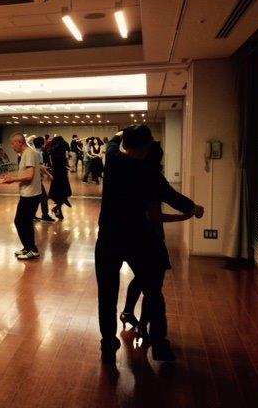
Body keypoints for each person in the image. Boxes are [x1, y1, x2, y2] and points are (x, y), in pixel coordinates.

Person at [94, 125, 203, 363]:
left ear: (126, 144)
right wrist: (194, 208)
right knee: (153, 293)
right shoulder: (150, 173)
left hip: (109, 239)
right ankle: (160, 345)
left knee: (107, 294)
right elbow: (173, 197)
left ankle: (108, 343)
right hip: (140, 239)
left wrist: (120, 133)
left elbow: (112, 143)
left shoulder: (113, 161)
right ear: (147, 146)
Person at [119, 143, 203, 344]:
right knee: (154, 287)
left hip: (127, 238)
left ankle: (128, 313)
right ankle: (148, 331)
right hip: (148, 238)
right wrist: (189, 212)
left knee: (142, 277)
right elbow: (162, 207)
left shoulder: (124, 172)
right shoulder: (150, 175)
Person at [2, 133, 43, 260]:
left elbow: (29, 175)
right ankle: (27, 247)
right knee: (22, 221)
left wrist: (13, 179)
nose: (12, 146)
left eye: (13, 143)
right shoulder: (26, 153)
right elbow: (27, 173)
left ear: (20, 142)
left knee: (22, 221)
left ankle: (32, 249)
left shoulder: (28, 153)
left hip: (30, 194)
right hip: (28, 193)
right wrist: (13, 177)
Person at [48, 136, 72, 220]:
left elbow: (54, 163)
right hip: (61, 173)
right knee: (63, 192)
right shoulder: (61, 150)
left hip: (57, 173)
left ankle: (58, 208)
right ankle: (58, 207)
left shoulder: (52, 151)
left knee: (59, 193)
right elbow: (64, 161)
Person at [31, 137, 55, 223]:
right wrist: (49, 175)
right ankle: (45, 216)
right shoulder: (39, 154)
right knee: (44, 198)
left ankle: (32, 215)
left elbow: (39, 166)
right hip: (37, 179)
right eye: (44, 143)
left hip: (35, 179)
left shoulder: (34, 152)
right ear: (42, 144)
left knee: (37, 198)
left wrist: (46, 168)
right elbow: (40, 167)